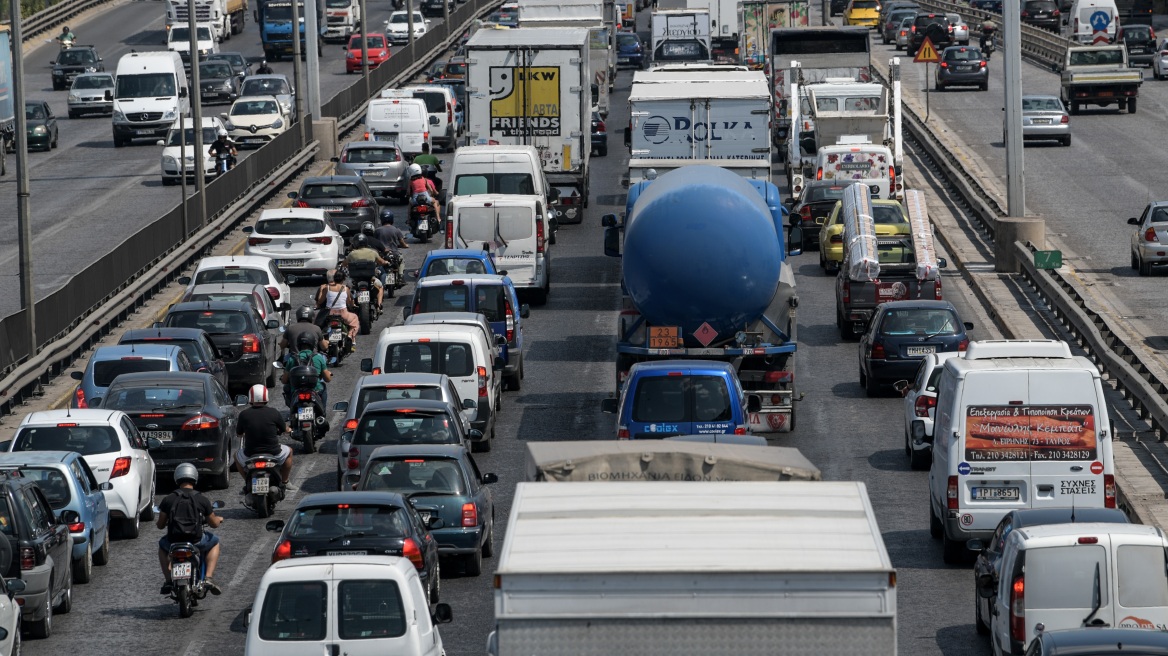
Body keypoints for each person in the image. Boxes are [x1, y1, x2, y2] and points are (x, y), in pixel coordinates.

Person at [156, 463, 223, 596]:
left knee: (161, 547)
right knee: (215, 542)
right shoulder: (202, 499)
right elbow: (214, 524)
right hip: (196, 540)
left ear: (177, 478)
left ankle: (169, 580)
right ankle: (208, 578)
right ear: (195, 478)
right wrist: (219, 519)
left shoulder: (168, 499)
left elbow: (160, 525)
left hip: (173, 542)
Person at [235, 384, 294, 492]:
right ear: (266, 397)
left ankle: (247, 482)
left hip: (250, 453)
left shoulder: (244, 414)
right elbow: (284, 428)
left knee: (236, 456)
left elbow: (239, 433)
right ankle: (285, 481)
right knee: (289, 451)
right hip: (274, 452)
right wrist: (288, 430)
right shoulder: (274, 412)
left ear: (251, 398)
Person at [282, 332, 332, 408]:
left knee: (286, 387)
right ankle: (323, 411)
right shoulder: (318, 358)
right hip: (316, 390)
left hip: (295, 391)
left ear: (298, 344)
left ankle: (292, 408)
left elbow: (284, 380)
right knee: (323, 387)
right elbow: (327, 379)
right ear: (312, 344)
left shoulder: (291, 359)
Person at [343, 234, 389, 310]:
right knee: (380, 287)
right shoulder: (373, 252)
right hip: (371, 279)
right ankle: (379, 305)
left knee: (347, 289)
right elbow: (381, 262)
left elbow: (344, 264)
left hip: (355, 280)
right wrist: (386, 262)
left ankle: (351, 304)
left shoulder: (352, 254)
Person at [315, 270, 360, 343]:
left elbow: (320, 301)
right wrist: (352, 305)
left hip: (330, 314)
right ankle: (350, 335)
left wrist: (321, 290)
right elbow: (348, 302)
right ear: (344, 279)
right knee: (355, 318)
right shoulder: (346, 289)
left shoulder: (327, 288)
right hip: (343, 314)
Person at [374, 211, 409, 283]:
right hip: (394, 254)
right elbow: (402, 243)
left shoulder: (377, 231)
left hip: (382, 255)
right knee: (401, 260)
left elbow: (375, 242)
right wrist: (406, 246)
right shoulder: (396, 230)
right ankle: (401, 276)